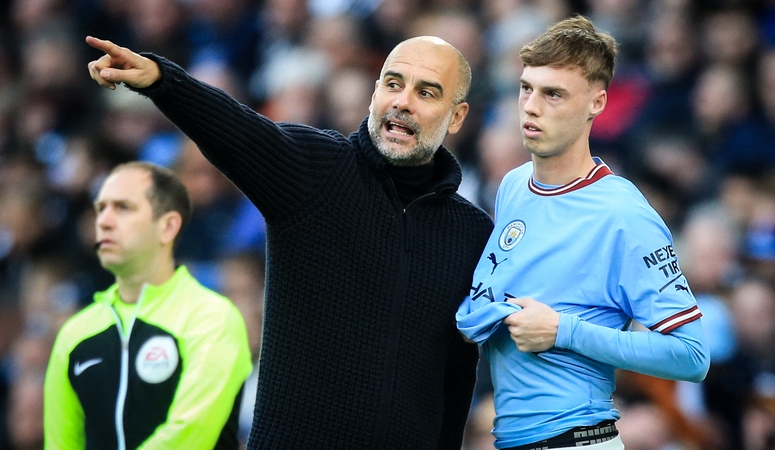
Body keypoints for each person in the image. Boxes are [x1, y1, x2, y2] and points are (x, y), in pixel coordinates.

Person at [85, 33, 494, 449]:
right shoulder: (319, 172)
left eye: (426, 92)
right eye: (393, 83)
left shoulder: (472, 233)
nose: (402, 102)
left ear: (457, 116)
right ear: (375, 94)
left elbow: (456, 379)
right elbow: (236, 131)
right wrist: (161, 80)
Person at [456, 16, 710, 450]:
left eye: (553, 94)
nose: (531, 106)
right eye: (526, 88)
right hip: (510, 440)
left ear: (597, 102)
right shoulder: (513, 186)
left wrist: (565, 331)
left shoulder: (623, 213)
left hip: (580, 439)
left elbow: (692, 356)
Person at [43, 162, 252, 449]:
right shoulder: (75, 332)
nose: (104, 221)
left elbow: (190, 434)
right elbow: (59, 444)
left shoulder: (211, 317)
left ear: (167, 227)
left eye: (123, 208)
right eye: (101, 208)